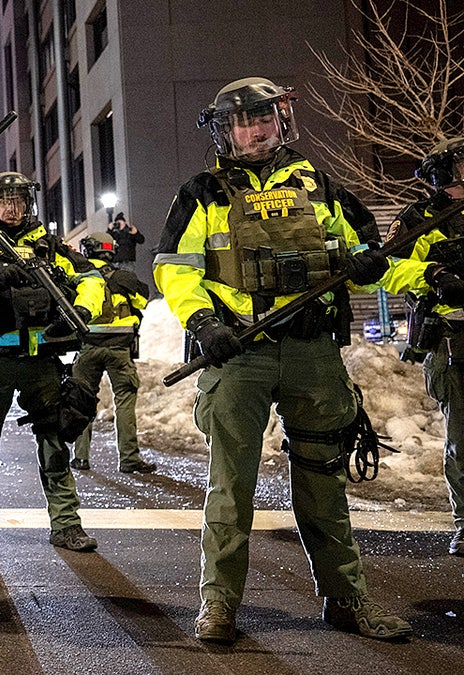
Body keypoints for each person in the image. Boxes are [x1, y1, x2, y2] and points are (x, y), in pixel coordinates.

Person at [154, 77, 426, 643]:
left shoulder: (320, 187)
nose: (254, 131)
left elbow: (368, 256)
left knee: (324, 483)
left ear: (280, 121)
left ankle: (347, 599)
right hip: (237, 355)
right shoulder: (200, 192)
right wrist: (203, 323)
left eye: (263, 119)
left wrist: (396, 269)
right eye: (241, 122)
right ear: (224, 130)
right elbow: (175, 269)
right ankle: (219, 606)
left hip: (311, 353)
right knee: (232, 485)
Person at [0, 171, 104, 553]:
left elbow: (93, 279)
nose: (12, 208)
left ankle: (66, 523)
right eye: (4, 201)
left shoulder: (51, 247)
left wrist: (83, 308)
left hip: (41, 360)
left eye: (18, 201)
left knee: (55, 442)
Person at [387, 137, 464, 557]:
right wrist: (431, 272)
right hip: (452, 339)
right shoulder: (421, 219)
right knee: (463, 438)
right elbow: (387, 267)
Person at [70, 231, 154, 473]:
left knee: (82, 401)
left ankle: (81, 457)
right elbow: (141, 301)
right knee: (125, 401)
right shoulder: (124, 277)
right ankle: (129, 459)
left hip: (88, 347)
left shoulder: (79, 276)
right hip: (119, 349)